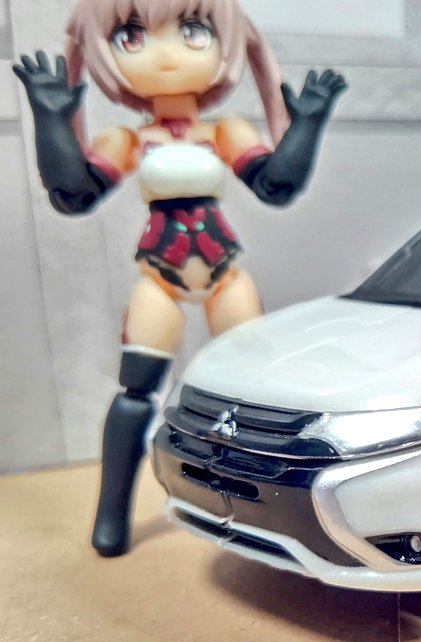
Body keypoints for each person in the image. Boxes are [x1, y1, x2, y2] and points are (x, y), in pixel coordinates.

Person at [13, 0, 348, 557]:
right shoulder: (129, 140)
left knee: (257, 389)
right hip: (161, 278)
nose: (165, 53)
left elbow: (276, 185)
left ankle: (269, 512)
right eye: (132, 36)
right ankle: (112, 513)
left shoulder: (225, 132)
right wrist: (50, 118)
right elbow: (73, 194)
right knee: (136, 390)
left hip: (224, 276)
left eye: (193, 30)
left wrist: (307, 125)